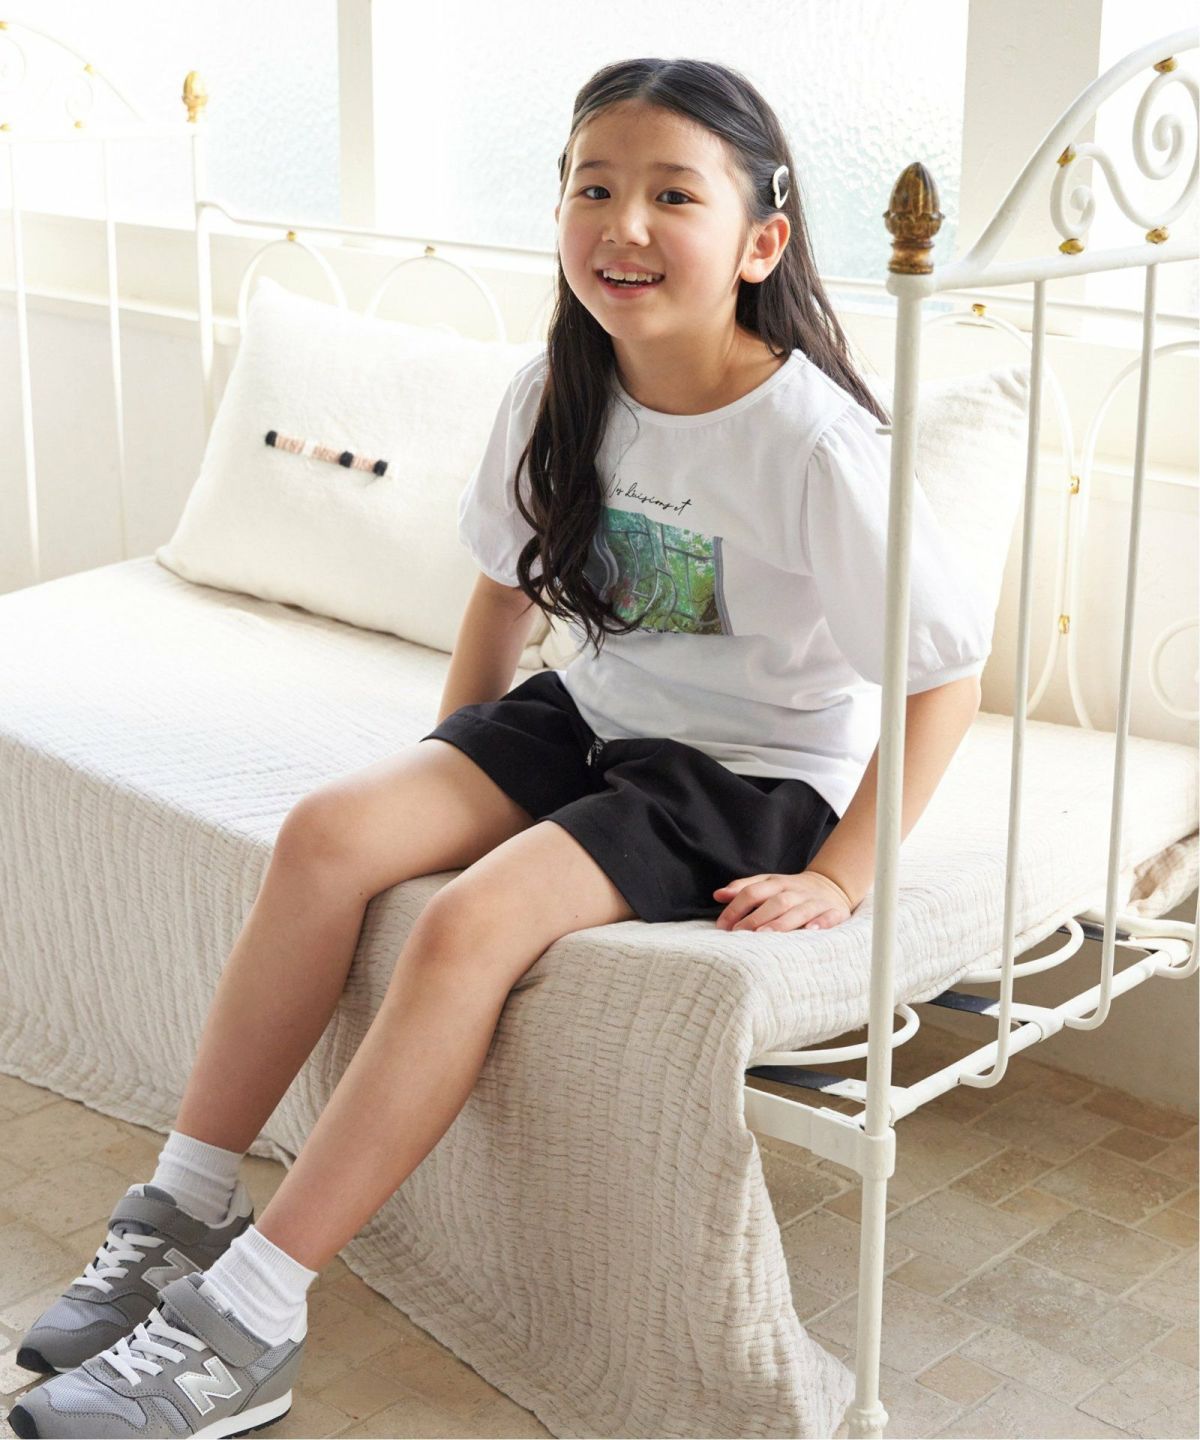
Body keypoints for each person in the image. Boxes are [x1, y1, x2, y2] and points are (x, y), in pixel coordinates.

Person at [8, 56, 991, 1440]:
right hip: (591, 715)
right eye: (594, 187)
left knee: (470, 922)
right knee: (330, 832)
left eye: (673, 195)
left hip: (744, 775)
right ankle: (181, 1208)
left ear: (760, 244)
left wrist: (843, 873)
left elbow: (944, 676)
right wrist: (454, 766)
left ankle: (256, 1313)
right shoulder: (559, 388)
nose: (624, 225)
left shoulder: (816, 441)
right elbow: (503, 596)